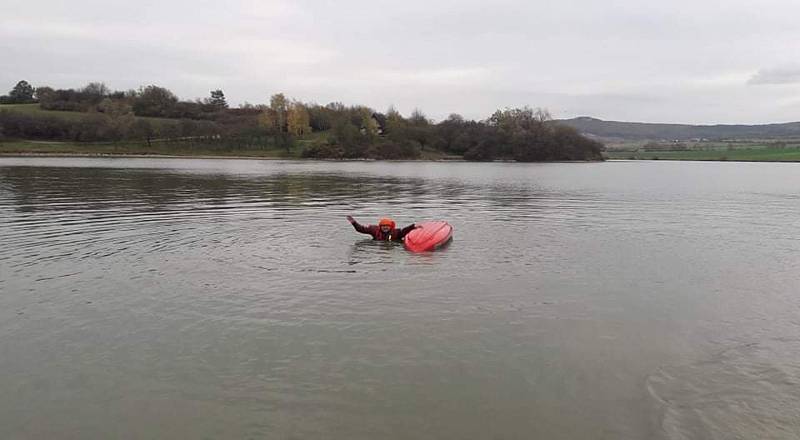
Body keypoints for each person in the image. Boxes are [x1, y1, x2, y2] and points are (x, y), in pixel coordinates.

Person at [346, 216, 420, 241]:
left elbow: (404, 230)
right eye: (383, 226)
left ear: (390, 227)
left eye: (387, 226)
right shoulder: (374, 230)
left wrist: (413, 226)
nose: (385, 227)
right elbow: (361, 229)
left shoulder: (396, 232)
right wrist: (354, 223)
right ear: (380, 227)